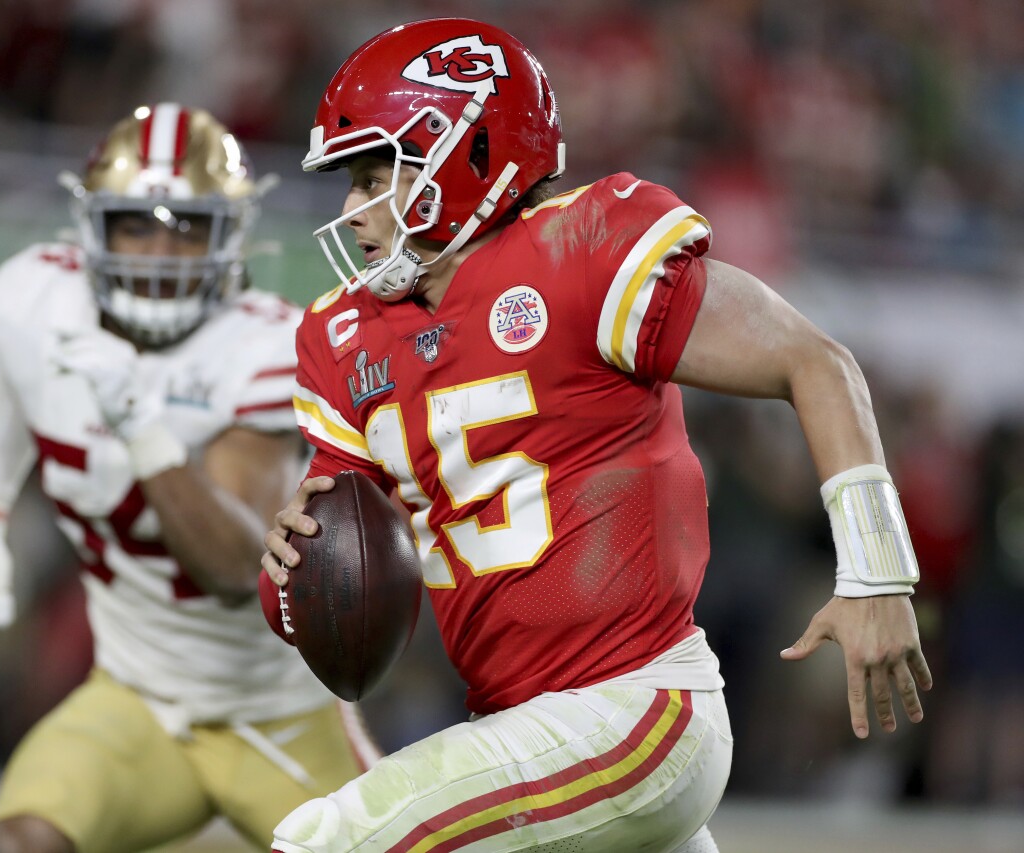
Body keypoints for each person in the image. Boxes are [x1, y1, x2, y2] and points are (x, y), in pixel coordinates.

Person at [258, 18, 931, 853]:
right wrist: (289, 568)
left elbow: (817, 362)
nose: (352, 210)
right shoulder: (344, 337)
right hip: (526, 729)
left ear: (463, 154)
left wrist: (876, 574)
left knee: (325, 842)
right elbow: (332, 577)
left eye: (372, 175)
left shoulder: (582, 251)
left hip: (631, 704)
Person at [0, 103, 378, 853]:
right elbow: (12, 379)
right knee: (21, 841)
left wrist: (143, 430)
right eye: (135, 225)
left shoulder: (262, 345)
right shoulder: (36, 300)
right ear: (93, 228)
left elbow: (233, 567)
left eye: (187, 227)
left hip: (275, 711)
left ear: (231, 235)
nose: (159, 252)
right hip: (135, 697)